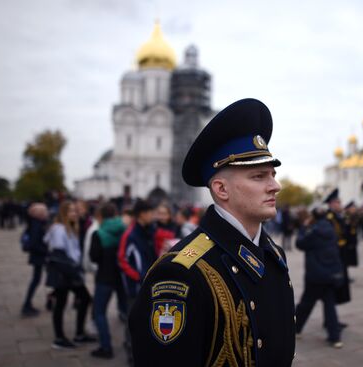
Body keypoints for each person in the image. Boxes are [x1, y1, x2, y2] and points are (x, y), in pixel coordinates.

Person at [129, 98, 296, 366]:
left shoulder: (273, 254)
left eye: (272, 175)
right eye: (259, 176)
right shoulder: (181, 273)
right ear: (221, 189)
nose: (274, 186)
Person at [44, 201, 96, 349]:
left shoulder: (70, 228)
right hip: (65, 273)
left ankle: (78, 334)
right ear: (63, 213)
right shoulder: (59, 229)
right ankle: (59, 339)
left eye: (75, 211)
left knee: (80, 300)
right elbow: (58, 254)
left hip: (70, 271)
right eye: (70, 211)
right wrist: (75, 273)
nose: (74, 213)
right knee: (64, 303)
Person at [295, 207, 345, 348]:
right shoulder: (331, 229)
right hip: (331, 274)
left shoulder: (313, 232)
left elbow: (299, 243)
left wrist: (303, 227)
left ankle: (296, 329)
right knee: (329, 305)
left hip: (315, 276)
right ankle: (335, 338)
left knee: (306, 304)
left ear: (314, 217)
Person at [118, 199, 156, 363]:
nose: (153, 216)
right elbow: (122, 260)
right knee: (132, 320)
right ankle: (131, 352)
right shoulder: (131, 234)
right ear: (142, 214)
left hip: (147, 284)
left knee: (144, 320)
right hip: (135, 287)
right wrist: (139, 277)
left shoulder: (147, 231)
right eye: (150, 212)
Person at [89, 202, 128, 359]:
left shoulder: (98, 234)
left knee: (99, 312)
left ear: (101, 216)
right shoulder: (124, 229)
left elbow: (94, 257)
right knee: (126, 311)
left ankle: (106, 347)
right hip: (121, 276)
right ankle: (131, 344)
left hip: (105, 276)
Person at [21, 203, 49, 317]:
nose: (47, 213)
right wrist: (46, 251)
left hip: (38, 256)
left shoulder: (35, 223)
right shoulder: (36, 225)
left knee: (36, 280)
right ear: (40, 214)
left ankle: (28, 304)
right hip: (39, 256)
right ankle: (27, 304)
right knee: (36, 280)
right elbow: (34, 243)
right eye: (45, 211)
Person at [324, 189, 351, 305]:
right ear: (331, 204)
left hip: (340, 253)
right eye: (338, 202)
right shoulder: (329, 217)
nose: (340, 204)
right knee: (330, 286)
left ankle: (331, 320)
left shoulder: (337, 216)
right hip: (334, 254)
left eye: (340, 202)